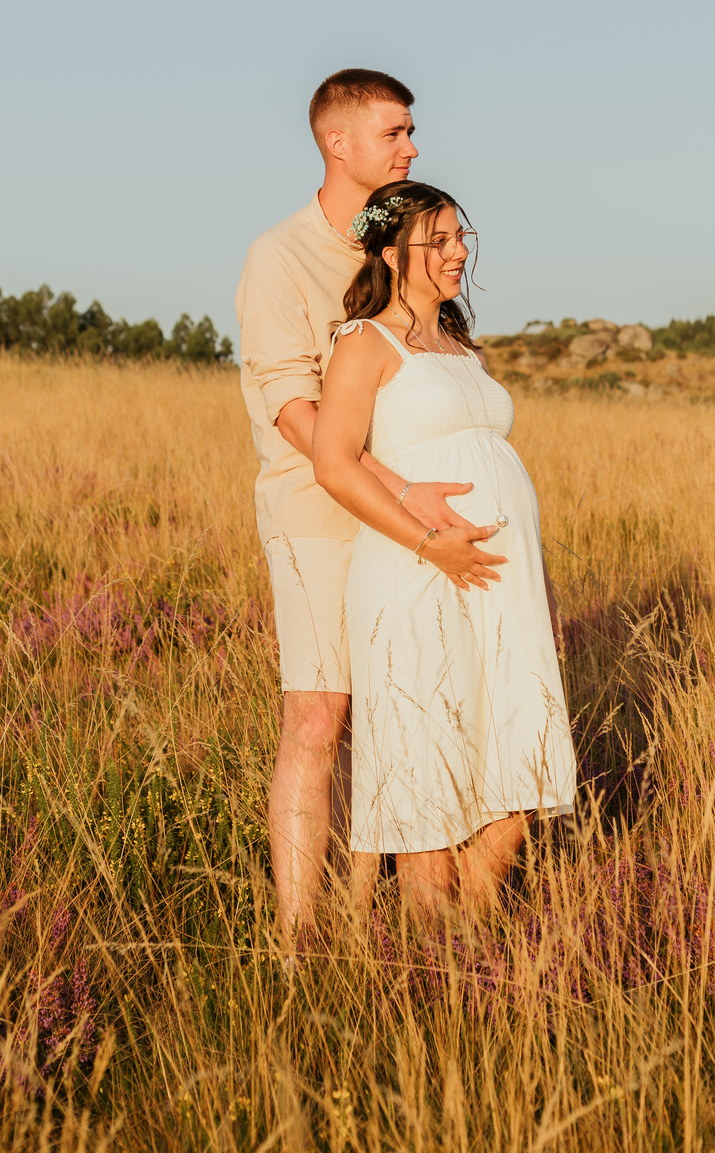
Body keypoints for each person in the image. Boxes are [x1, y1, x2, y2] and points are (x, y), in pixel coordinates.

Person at [235, 71, 496, 943]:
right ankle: (298, 945)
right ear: (337, 143)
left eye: (411, 133)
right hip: (318, 510)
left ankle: (367, 915)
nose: (412, 148)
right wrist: (395, 488)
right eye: (395, 133)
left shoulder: (411, 246)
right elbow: (292, 405)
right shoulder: (281, 255)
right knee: (319, 716)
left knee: (399, 705)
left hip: (409, 513)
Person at [312, 181, 577, 917]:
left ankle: (476, 918)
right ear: (393, 254)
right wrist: (432, 545)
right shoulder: (365, 342)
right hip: (416, 572)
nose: (459, 252)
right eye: (439, 240)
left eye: (462, 238)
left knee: (515, 746)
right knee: (431, 749)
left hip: (497, 580)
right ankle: (437, 955)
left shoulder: (459, 344)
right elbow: (333, 461)